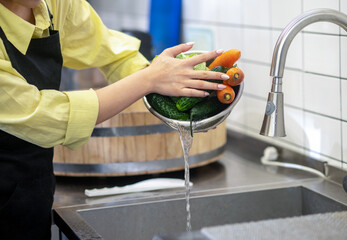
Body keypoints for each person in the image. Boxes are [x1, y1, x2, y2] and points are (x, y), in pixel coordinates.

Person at [0, 0, 229, 239]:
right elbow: (46, 117)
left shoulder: (55, 4)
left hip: (32, 188)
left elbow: (113, 54)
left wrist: (176, 98)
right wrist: (149, 80)